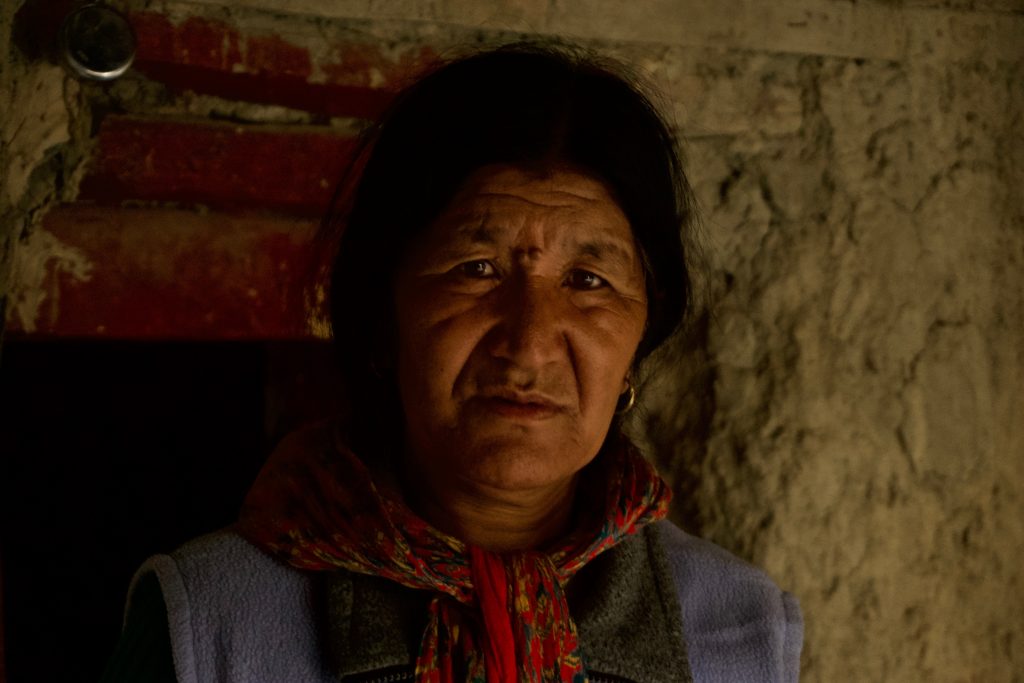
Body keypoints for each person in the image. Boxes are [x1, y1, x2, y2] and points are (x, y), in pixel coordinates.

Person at [101, 43, 802, 683]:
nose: (529, 342)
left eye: (588, 280)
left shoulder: (739, 633)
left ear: (639, 342)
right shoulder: (210, 624)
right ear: (383, 316)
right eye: (477, 267)